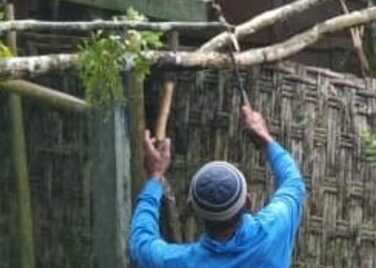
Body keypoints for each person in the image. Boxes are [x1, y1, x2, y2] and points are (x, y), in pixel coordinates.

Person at [129, 104, 307, 267]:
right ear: (247, 202)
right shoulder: (275, 228)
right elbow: (293, 182)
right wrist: (265, 138)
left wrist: (155, 177)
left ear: (192, 208)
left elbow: (140, 243)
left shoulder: (181, 262)